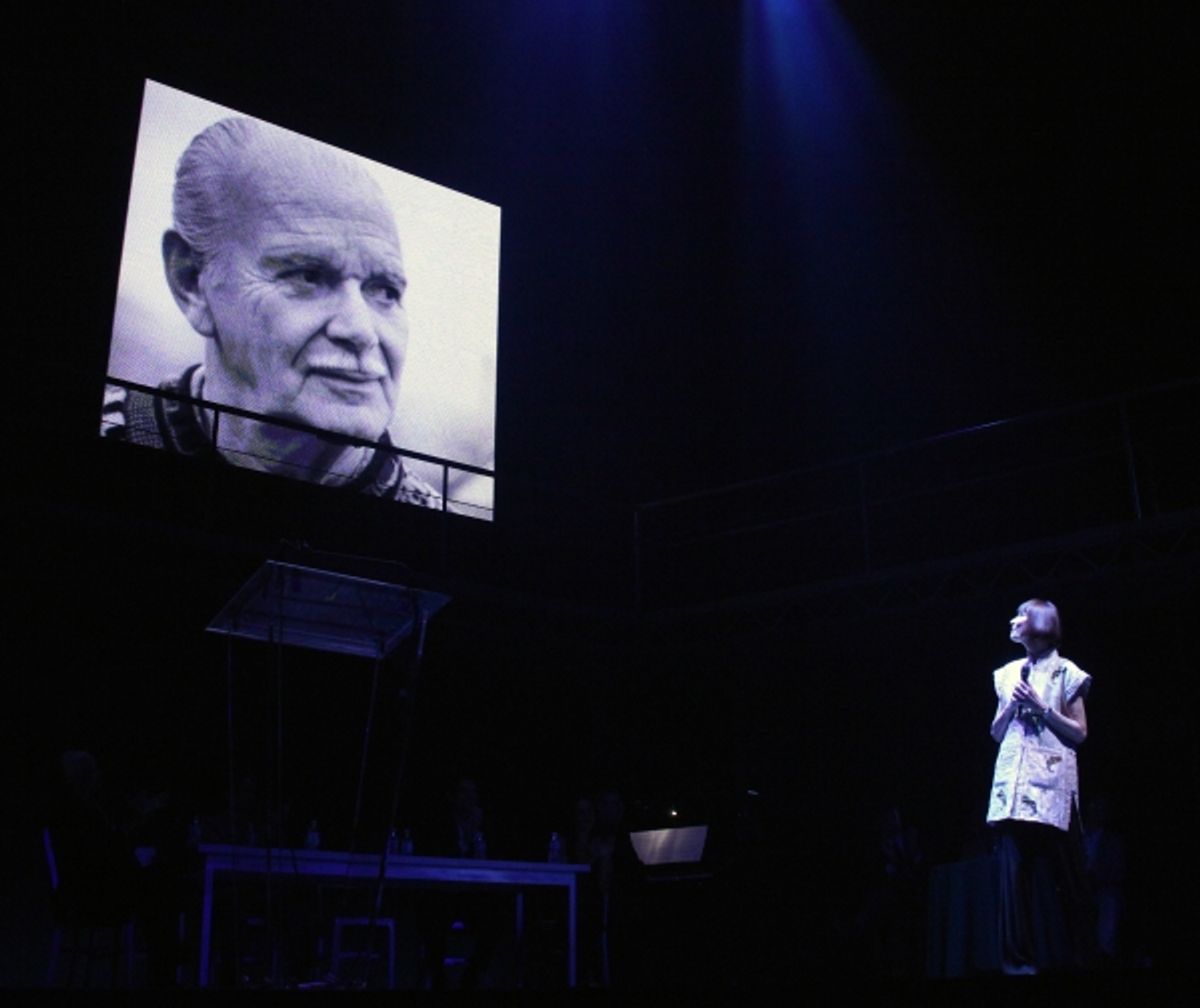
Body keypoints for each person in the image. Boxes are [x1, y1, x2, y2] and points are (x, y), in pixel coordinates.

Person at [101, 115, 440, 506]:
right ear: (192, 282)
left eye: (384, 291)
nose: (361, 330)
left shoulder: (449, 548)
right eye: (308, 276)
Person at [986, 598, 1096, 973]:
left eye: (1022, 615)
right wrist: (1012, 708)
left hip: (1050, 789)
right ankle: (1018, 964)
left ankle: (1082, 959)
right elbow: (996, 733)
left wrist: (1042, 709)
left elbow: (1080, 733)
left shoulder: (1066, 672)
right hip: (1012, 791)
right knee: (1013, 886)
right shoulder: (1007, 674)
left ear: (1039, 624)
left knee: (1067, 880)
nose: (1013, 621)